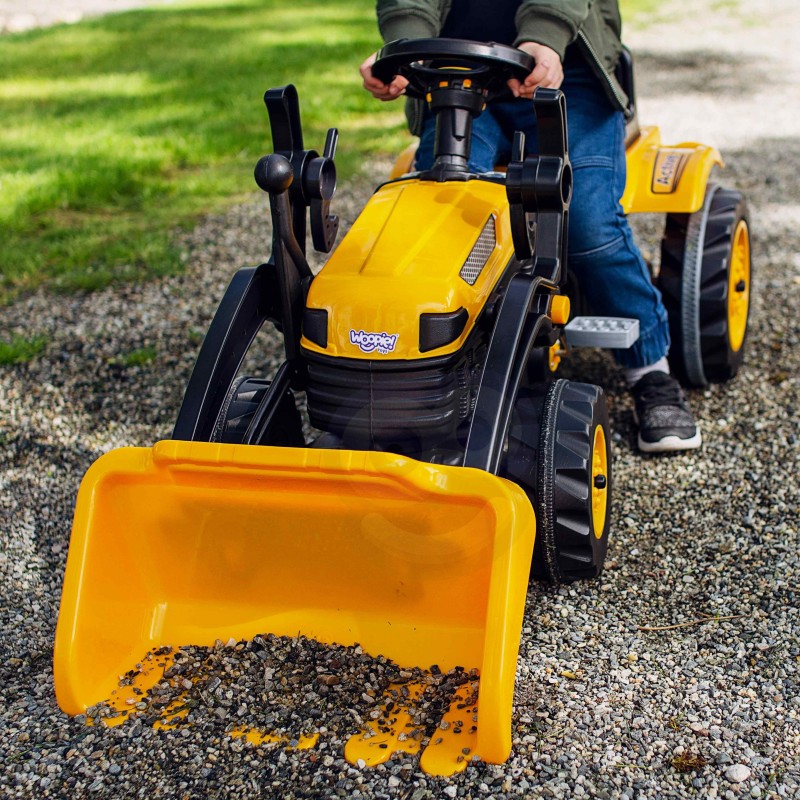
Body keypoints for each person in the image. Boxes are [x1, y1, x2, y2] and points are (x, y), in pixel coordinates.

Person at [360, 0, 702, 454]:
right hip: (458, 77)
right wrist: (403, 44)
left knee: (586, 221)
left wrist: (544, 36)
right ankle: (443, 374)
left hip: (569, 77)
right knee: (443, 211)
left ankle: (650, 370)